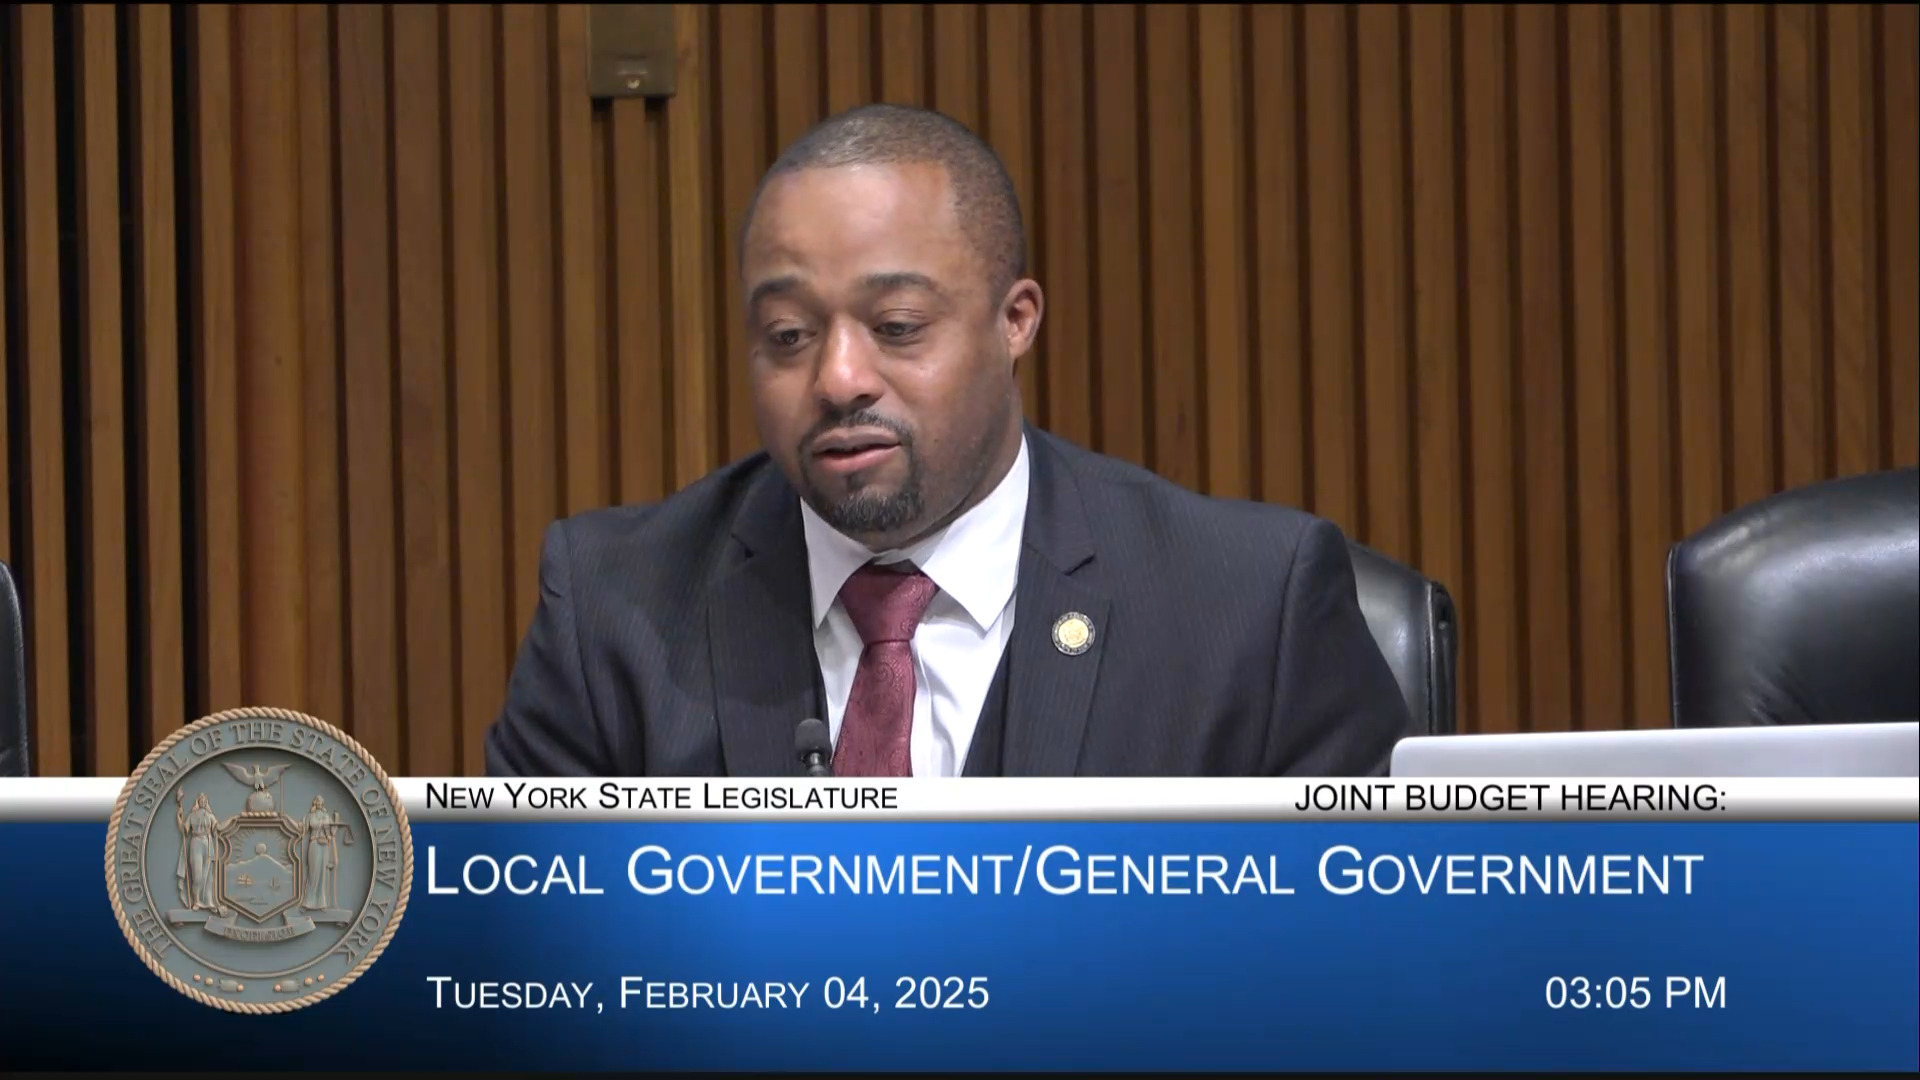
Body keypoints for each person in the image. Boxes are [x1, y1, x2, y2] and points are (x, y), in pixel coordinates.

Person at [485, 104, 1412, 778]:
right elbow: (529, 981)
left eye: (895, 326)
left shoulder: (1247, 611)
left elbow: (1361, 979)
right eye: (788, 337)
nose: (839, 378)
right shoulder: (617, 611)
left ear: (1015, 321)